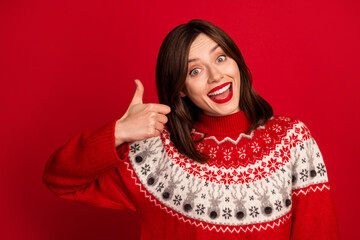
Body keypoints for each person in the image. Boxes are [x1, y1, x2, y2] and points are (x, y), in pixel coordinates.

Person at [43, 19, 339, 239]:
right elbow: (59, 179)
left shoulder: (291, 139)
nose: (215, 75)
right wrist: (118, 132)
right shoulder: (154, 152)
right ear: (180, 89)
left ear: (237, 62)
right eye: (194, 71)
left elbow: (319, 232)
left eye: (221, 58)